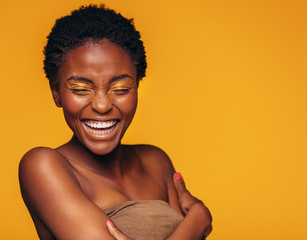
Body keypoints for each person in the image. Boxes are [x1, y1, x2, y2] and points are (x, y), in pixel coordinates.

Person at [19, 4, 212, 240]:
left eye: (120, 88)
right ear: (56, 92)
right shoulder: (43, 166)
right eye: (81, 89)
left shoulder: (156, 162)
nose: (102, 105)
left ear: (137, 88)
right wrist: (197, 221)